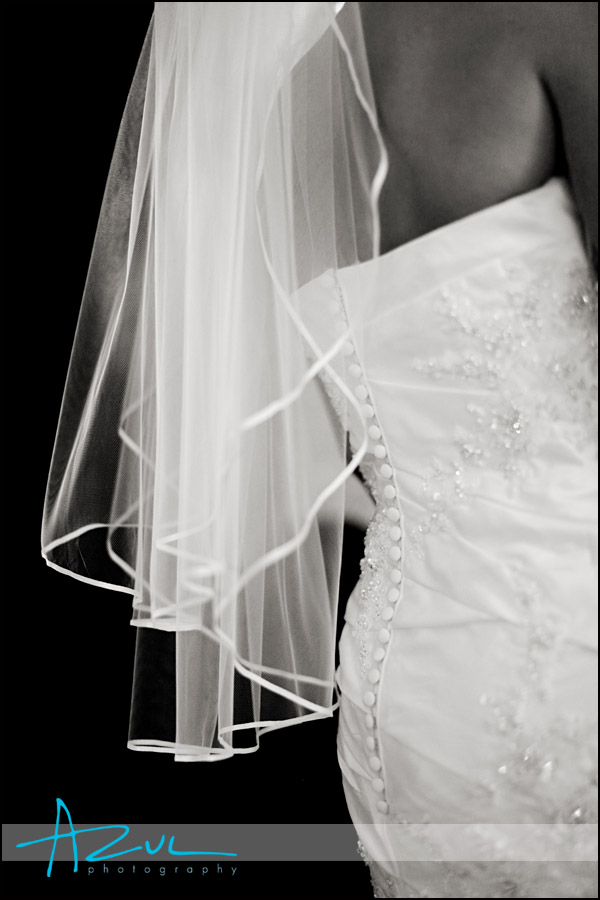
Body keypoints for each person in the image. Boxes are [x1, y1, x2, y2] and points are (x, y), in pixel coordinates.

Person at [41, 3, 597, 897]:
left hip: (411, 683)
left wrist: (430, 497)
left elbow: (221, 433)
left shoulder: (291, 98)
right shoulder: (556, 18)